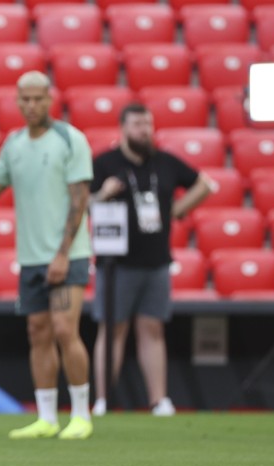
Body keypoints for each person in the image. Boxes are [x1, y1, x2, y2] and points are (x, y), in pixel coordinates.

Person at [0, 70, 95, 440]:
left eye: (37, 98)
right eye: (24, 99)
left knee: (64, 328)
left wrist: (62, 255)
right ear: (17, 101)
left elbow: (80, 199)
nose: (31, 105)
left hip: (67, 254)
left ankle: (80, 414)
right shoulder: (13, 144)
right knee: (37, 332)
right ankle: (46, 417)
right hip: (29, 256)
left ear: (49, 99)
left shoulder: (70, 140)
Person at [89, 103, 212, 417]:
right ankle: (103, 399)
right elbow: (79, 204)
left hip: (156, 259)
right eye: (137, 125)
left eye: (148, 124)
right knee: (112, 329)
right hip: (116, 262)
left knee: (152, 328)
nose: (144, 130)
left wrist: (180, 210)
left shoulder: (165, 161)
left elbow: (204, 183)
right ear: (123, 128)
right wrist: (102, 195)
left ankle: (159, 399)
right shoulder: (104, 163)